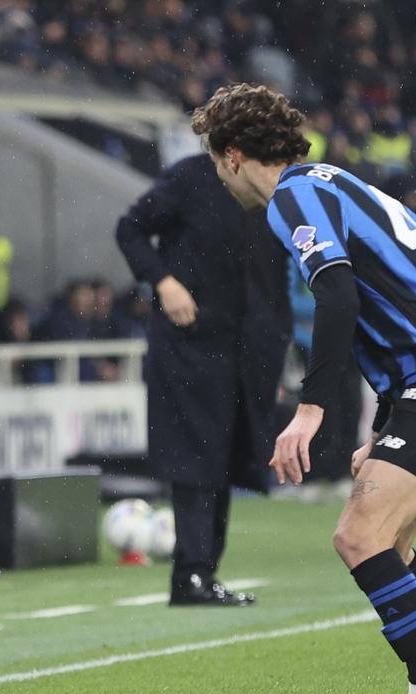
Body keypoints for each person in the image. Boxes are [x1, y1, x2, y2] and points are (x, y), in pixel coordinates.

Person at [192, 84, 416, 694]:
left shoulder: (292, 197)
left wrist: (310, 410)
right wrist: (388, 419)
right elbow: (393, 294)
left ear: (233, 156)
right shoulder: (330, 181)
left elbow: (337, 294)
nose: (222, 180)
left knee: (358, 535)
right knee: (389, 540)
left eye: (217, 165)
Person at [115, 152, 291, 606]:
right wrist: (163, 281)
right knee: (196, 457)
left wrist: (273, 352)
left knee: (226, 459)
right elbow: (129, 228)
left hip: (247, 347)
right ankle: (191, 573)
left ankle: (203, 572)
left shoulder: (274, 182)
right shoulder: (190, 176)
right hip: (189, 343)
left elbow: (276, 274)